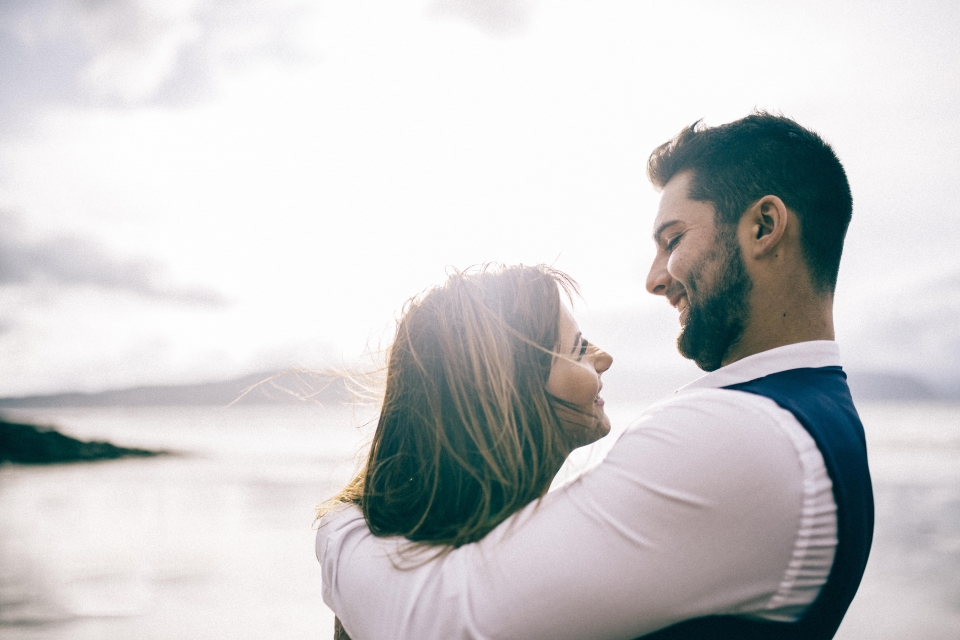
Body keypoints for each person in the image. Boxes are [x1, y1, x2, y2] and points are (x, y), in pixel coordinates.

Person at [316, 113, 874, 639]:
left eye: (673, 239)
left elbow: (440, 625)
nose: (655, 280)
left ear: (765, 226)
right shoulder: (810, 416)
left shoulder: (742, 436)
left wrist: (335, 529)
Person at [316, 264, 614, 639]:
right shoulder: (532, 574)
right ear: (510, 394)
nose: (605, 358)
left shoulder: (361, 546)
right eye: (578, 350)